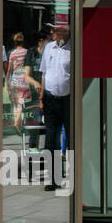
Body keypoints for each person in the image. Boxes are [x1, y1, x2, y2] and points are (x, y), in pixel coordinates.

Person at [38, 23, 72, 190]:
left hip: (68, 100)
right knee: (51, 140)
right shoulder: (49, 47)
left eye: (55, 30)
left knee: (72, 138)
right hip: (51, 99)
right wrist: (41, 97)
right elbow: (44, 73)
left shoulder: (73, 48)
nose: (52, 32)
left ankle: (75, 177)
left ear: (64, 32)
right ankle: (53, 179)